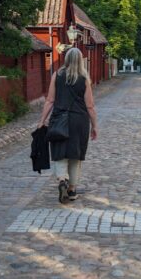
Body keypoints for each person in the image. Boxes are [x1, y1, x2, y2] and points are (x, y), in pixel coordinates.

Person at [39, 47, 98, 204]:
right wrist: (94, 126)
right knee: (75, 155)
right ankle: (72, 190)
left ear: (66, 59)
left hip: (59, 119)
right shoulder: (84, 78)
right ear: (80, 61)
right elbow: (90, 106)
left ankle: (62, 180)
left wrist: (42, 121)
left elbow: (50, 100)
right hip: (79, 121)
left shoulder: (57, 75)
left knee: (60, 153)